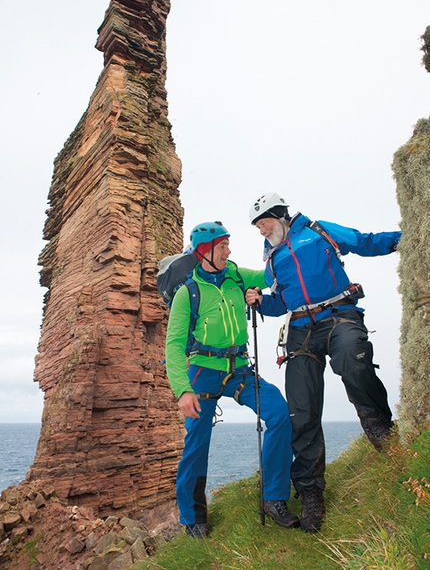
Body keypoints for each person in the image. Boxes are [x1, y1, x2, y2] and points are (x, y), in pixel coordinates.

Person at [246, 193, 401, 533]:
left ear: (279, 215)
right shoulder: (272, 259)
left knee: (352, 358)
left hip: (339, 314)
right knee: (301, 409)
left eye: (263, 223)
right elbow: (282, 304)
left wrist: (406, 238)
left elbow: (363, 242)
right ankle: (310, 491)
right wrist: (260, 301)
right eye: (257, 227)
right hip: (301, 330)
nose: (261, 231)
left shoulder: (317, 230)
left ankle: (379, 428)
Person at [165, 220, 298, 538]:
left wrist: (281, 250)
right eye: (223, 246)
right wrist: (183, 390)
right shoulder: (188, 294)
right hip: (203, 371)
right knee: (197, 442)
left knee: (279, 413)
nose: (229, 250)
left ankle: (274, 498)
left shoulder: (237, 276)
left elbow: (269, 276)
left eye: (227, 244)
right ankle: (192, 517)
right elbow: (173, 346)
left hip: (239, 368)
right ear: (205, 252)